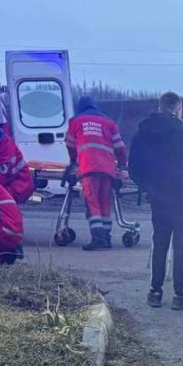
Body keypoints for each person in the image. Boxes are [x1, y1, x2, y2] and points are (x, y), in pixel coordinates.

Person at [128, 92, 183, 310]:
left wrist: (148, 186)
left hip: (157, 197)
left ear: (160, 107)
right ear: (177, 109)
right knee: (180, 245)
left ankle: (155, 292)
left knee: (160, 243)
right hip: (182, 195)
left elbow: (133, 167)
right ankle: (180, 294)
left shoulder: (142, 132)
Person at [65, 97, 128, 251]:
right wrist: (122, 164)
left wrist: (73, 162)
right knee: (105, 202)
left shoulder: (75, 122)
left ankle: (98, 238)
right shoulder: (109, 122)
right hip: (108, 169)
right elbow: (120, 147)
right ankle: (106, 237)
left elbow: (70, 145)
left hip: (89, 168)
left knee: (92, 203)